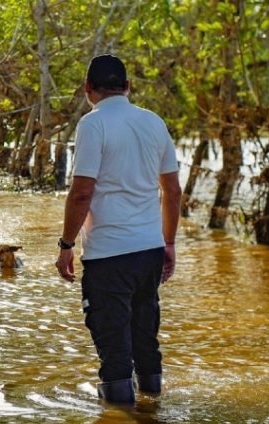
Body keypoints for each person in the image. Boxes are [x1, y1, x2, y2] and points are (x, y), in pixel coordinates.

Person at [55, 54, 182, 404]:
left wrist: (66, 245)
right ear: (127, 86)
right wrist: (168, 242)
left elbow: (82, 192)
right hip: (149, 251)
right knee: (145, 341)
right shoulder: (154, 122)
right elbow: (171, 191)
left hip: (109, 255)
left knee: (114, 352)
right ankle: (153, 416)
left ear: (88, 90)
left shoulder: (93, 125)